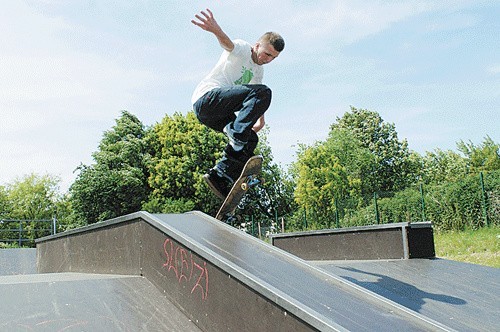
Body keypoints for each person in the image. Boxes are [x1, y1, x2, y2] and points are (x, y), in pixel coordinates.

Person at [191, 9, 285, 199]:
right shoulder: (243, 48)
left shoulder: (258, 72)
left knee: (251, 139)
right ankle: (236, 134)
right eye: (267, 54)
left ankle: (220, 175)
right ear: (257, 45)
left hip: (216, 116)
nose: (267, 60)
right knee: (264, 92)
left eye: (273, 58)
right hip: (207, 100)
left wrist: (258, 122)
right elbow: (228, 44)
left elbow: (256, 100)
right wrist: (215, 29)